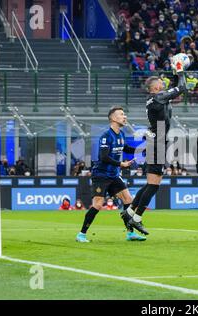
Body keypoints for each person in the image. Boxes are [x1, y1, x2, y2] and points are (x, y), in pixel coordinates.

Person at [120, 57, 187, 236]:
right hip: (156, 143)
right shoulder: (158, 98)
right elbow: (182, 88)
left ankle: (131, 212)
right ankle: (136, 216)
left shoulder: (157, 99)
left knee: (152, 184)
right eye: (161, 84)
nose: (164, 85)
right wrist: (180, 70)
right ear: (155, 88)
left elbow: (175, 89)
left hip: (156, 142)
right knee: (154, 184)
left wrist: (175, 73)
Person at [76, 106, 146, 243]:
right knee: (98, 204)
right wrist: (121, 164)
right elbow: (103, 157)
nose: (125, 116)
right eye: (121, 114)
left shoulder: (120, 134)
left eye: (124, 114)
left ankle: (130, 233)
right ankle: (81, 234)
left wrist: (141, 149)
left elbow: (125, 148)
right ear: (113, 118)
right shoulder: (106, 136)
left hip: (114, 175)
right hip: (101, 175)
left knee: (128, 200)